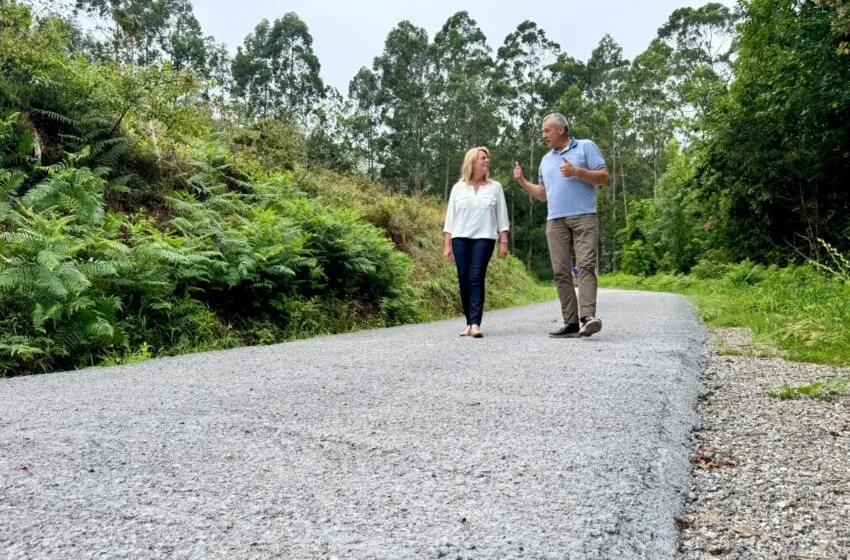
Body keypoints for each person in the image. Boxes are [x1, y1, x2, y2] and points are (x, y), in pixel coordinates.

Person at [512, 113, 609, 338]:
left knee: (585, 266)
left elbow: (605, 178)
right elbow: (543, 195)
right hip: (555, 220)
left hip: (584, 215)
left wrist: (577, 172)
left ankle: (587, 317)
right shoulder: (546, 160)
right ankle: (571, 323)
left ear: (562, 129)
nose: (544, 135)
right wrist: (522, 182)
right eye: (542, 132)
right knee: (560, 272)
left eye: (547, 131)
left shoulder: (586, 147)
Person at [443, 147, 510, 338]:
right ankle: (468, 322)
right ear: (472, 162)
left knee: (475, 276)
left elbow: (502, 216)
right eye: (483, 158)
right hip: (460, 237)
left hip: (485, 237)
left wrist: (503, 240)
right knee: (463, 278)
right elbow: (450, 219)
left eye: (488, 158)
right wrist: (447, 245)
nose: (487, 161)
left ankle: (476, 323)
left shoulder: (495, 187)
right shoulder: (458, 188)